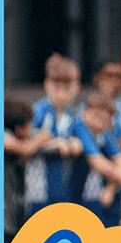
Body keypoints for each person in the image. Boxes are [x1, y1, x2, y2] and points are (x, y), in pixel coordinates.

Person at [24, 53, 83, 220]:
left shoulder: (71, 115)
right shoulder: (39, 110)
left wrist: (74, 142)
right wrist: (54, 143)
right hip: (38, 188)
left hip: (62, 186)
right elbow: (29, 137)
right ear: (47, 85)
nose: (62, 94)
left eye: (67, 88)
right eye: (58, 88)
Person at [69, 91, 121, 228]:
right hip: (76, 198)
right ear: (85, 112)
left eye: (104, 118)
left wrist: (111, 186)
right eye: (95, 116)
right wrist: (120, 176)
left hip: (97, 197)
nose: (99, 122)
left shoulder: (104, 135)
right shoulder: (80, 128)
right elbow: (98, 163)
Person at [77, 59, 121, 154]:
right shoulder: (85, 106)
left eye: (118, 77)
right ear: (97, 78)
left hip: (117, 158)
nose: (114, 81)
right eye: (109, 76)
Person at [4, 98, 39, 243]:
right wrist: (41, 139)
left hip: (14, 216)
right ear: (19, 129)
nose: (31, 129)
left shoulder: (20, 139)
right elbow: (25, 149)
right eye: (28, 125)